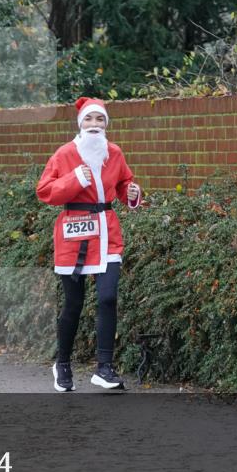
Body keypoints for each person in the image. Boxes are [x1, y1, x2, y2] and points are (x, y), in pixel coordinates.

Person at [36, 97, 141, 392]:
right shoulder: (64, 154)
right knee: (74, 303)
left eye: (100, 120)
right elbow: (45, 192)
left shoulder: (115, 153)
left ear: (106, 125)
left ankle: (104, 368)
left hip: (107, 232)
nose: (94, 125)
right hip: (73, 234)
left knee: (108, 297)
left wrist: (132, 192)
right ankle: (63, 363)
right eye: (89, 119)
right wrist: (73, 180)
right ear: (80, 123)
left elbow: (124, 185)